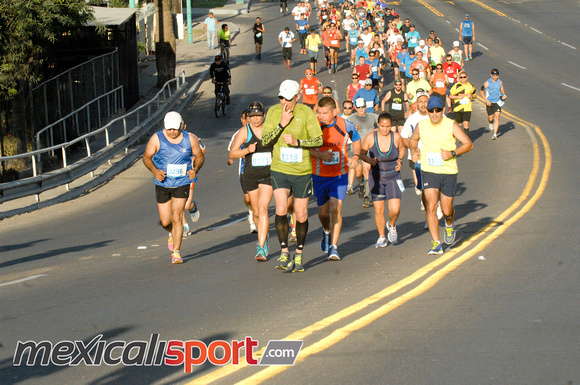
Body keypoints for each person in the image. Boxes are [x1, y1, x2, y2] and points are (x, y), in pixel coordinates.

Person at [262, 80, 323, 272]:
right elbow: (265, 140)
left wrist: (298, 142)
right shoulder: (273, 112)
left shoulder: (305, 113)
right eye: (281, 98)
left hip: (301, 171)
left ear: (297, 97)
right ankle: (284, 252)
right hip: (279, 168)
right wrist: (281, 124)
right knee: (280, 208)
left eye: (288, 99)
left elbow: (318, 140)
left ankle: (299, 253)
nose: (284, 102)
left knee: (301, 213)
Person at [409, 96, 473, 255]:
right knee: (431, 206)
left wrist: (453, 152)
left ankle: (449, 225)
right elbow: (413, 140)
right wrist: (414, 151)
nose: (435, 114)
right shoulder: (421, 126)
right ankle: (436, 243)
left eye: (438, 110)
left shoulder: (451, 124)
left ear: (443, 110)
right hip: (429, 171)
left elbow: (468, 144)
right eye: (431, 111)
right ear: (427, 112)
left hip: (448, 172)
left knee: (446, 210)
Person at [142, 111, 205, 264]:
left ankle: (176, 252)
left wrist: (194, 170)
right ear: (165, 126)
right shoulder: (157, 139)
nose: (172, 132)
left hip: (182, 182)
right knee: (165, 221)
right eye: (169, 129)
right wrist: (155, 171)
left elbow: (200, 157)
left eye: (175, 129)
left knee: (177, 215)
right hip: (163, 183)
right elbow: (146, 157)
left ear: (180, 127)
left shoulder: (190, 139)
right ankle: (172, 232)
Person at [311, 97, 361, 260]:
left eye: (325, 113)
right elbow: (304, 147)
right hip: (319, 175)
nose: (321, 116)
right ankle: (326, 231)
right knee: (323, 213)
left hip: (339, 175)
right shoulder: (314, 125)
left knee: (335, 209)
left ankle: (334, 246)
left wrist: (356, 157)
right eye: (319, 112)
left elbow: (356, 139)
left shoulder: (345, 125)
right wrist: (319, 154)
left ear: (334, 112)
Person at [229, 102, 273, 261]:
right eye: (252, 116)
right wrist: (247, 150)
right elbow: (232, 153)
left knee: (263, 209)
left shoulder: (270, 129)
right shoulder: (244, 131)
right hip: (250, 176)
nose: (255, 119)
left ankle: (261, 247)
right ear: (248, 117)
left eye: (258, 116)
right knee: (256, 212)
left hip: (268, 175)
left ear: (264, 116)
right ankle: (263, 234)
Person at [359, 112, 406, 247]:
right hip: (377, 177)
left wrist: (400, 160)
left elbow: (402, 150)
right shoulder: (370, 137)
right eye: (382, 126)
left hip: (393, 176)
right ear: (378, 125)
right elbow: (362, 153)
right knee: (379, 210)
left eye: (388, 127)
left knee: (395, 210)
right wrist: (369, 160)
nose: (385, 129)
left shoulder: (396, 137)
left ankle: (391, 224)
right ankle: (381, 236)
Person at [227, 110, 257, 233]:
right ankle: (251, 209)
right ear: (242, 120)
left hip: (259, 169)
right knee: (248, 199)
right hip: (244, 170)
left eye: (250, 118)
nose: (248, 121)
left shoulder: (259, 131)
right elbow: (232, 151)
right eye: (246, 119)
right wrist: (233, 158)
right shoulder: (238, 134)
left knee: (257, 197)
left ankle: (254, 222)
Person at [347, 97, 378, 208]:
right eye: (359, 107)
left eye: (363, 107)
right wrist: (351, 129)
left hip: (368, 149)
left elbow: (384, 121)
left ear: (366, 106)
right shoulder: (351, 118)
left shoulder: (372, 116)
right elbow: (344, 132)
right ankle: (361, 184)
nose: (361, 109)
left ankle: (366, 196)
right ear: (355, 108)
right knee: (358, 173)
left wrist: (377, 129)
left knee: (367, 170)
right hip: (356, 149)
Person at [480, 68, 507, 140]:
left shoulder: (500, 82)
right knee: (490, 118)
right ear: (491, 75)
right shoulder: (487, 82)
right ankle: (490, 123)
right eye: (494, 75)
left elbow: (502, 89)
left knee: (497, 117)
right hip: (489, 103)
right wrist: (486, 100)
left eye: (497, 75)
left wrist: (503, 95)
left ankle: (495, 134)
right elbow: (481, 91)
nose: (495, 77)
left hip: (497, 102)